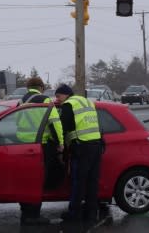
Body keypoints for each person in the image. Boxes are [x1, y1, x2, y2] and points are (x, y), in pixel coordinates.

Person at [16, 76, 65, 226]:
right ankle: (34, 215)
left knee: (25, 179)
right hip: (40, 145)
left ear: (28, 87)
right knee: (39, 179)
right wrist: (60, 144)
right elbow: (55, 123)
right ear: (41, 87)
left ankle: (25, 211)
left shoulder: (21, 101)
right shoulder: (45, 100)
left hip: (21, 144)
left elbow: (16, 121)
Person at [55, 84, 103, 225]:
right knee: (92, 182)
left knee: (79, 182)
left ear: (66, 94)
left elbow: (63, 127)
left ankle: (74, 214)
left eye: (58, 96)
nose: (57, 99)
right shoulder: (87, 102)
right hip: (96, 146)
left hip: (82, 148)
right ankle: (91, 214)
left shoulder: (69, 105)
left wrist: (59, 144)